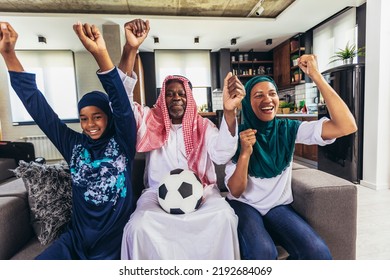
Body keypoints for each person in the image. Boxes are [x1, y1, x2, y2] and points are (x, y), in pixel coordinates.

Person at [0, 21, 137, 259]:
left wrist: (99, 53)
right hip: (76, 240)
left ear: (109, 118)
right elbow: (38, 107)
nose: (90, 124)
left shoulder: (124, 142)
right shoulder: (73, 144)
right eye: (83, 118)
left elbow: (121, 104)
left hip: (113, 243)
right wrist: (8, 54)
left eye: (97, 117)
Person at [116, 19, 245, 259]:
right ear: (162, 99)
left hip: (203, 193)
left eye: (182, 94)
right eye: (171, 94)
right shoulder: (147, 121)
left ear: (190, 98)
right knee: (137, 227)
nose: (177, 98)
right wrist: (130, 49)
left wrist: (229, 112)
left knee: (225, 217)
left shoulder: (203, 126)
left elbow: (222, 154)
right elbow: (121, 97)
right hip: (156, 195)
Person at [224, 54, 358, 260]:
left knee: (318, 252)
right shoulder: (235, 135)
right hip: (244, 206)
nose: (267, 100)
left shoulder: (288, 129)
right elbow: (236, 190)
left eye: (272, 93)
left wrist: (316, 76)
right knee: (263, 252)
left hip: (277, 206)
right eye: (258, 95)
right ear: (247, 102)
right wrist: (244, 154)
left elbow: (346, 125)